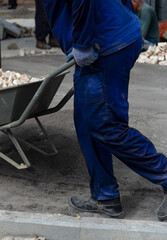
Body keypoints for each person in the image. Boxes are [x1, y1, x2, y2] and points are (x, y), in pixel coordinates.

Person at [41, 0, 167, 221]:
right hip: (109, 37)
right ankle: (105, 196)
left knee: (106, 125)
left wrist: (82, 43)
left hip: (106, 45)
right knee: (85, 120)